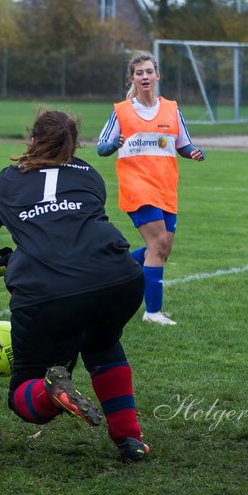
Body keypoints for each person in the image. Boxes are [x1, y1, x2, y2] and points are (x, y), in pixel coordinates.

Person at [0, 109, 150, 462]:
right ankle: (129, 438)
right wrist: (10, 260)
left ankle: (49, 390)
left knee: (23, 393)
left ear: (32, 140)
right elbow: (67, 234)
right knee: (102, 342)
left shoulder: (9, 178)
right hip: (119, 279)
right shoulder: (90, 174)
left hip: (47, 293)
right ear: (74, 145)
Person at [96, 52, 205, 326]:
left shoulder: (172, 109)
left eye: (148, 71)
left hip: (166, 188)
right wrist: (114, 144)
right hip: (137, 187)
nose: (144, 76)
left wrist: (193, 152)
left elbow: (183, 143)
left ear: (158, 75)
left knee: (162, 250)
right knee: (157, 244)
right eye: (139, 73)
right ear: (132, 78)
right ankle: (152, 312)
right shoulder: (122, 111)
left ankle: (111, 271)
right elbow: (101, 147)